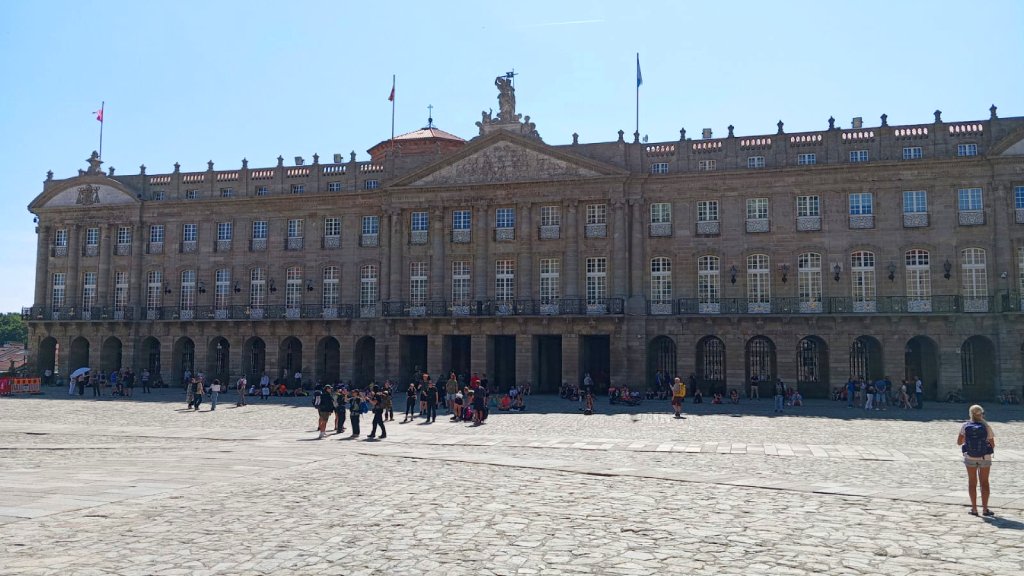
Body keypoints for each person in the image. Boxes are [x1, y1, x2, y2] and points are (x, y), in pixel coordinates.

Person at [957, 404, 995, 516]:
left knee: (972, 482)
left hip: (970, 457)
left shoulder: (965, 426)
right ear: (982, 414)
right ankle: (985, 509)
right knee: (984, 483)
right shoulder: (986, 426)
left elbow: (959, 442)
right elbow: (992, 444)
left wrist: (968, 440)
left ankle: (974, 509)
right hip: (985, 457)